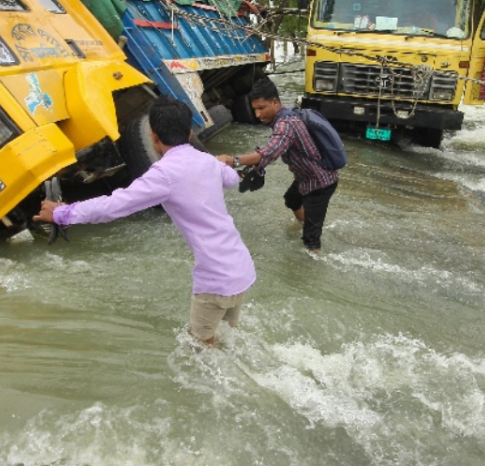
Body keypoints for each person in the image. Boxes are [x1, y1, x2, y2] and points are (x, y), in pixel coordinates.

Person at [34, 98, 255, 347]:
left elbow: (114, 205)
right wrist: (219, 161)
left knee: (200, 346)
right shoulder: (207, 162)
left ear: (153, 136)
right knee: (228, 338)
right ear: (190, 132)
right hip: (241, 268)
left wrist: (63, 213)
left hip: (215, 279)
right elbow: (231, 179)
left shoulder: (164, 174)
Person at [218, 78, 339, 253]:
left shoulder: (286, 124)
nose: (258, 115)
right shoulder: (284, 117)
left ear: (274, 102)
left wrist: (233, 160)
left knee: (311, 239)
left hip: (320, 182)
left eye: (261, 108)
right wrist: (252, 168)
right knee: (292, 199)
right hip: (305, 178)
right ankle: (307, 223)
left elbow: (269, 152)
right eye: (254, 110)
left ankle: (313, 261)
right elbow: (272, 152)